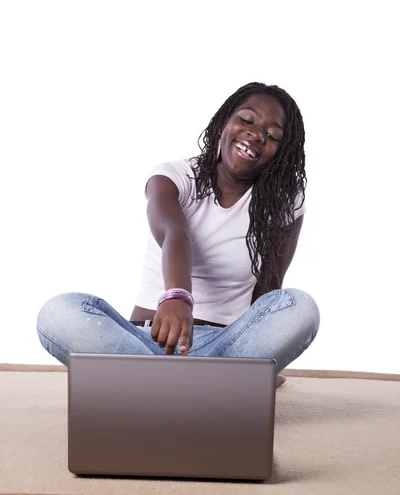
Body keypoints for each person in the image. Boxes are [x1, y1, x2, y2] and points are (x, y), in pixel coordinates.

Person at [37, 82, 320, 389]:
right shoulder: (173, 176)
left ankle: (149, 388)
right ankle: (217, 388)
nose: (255, 135)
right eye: (247, 120)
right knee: (59, 313)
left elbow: (270, 286)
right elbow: (174, 233)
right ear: (226, 121)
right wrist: (176, 297)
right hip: (145, 341)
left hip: (225, 347)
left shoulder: (285, 200)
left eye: (272, 135)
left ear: (281, 151)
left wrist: (264, 351)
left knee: (298, 306)